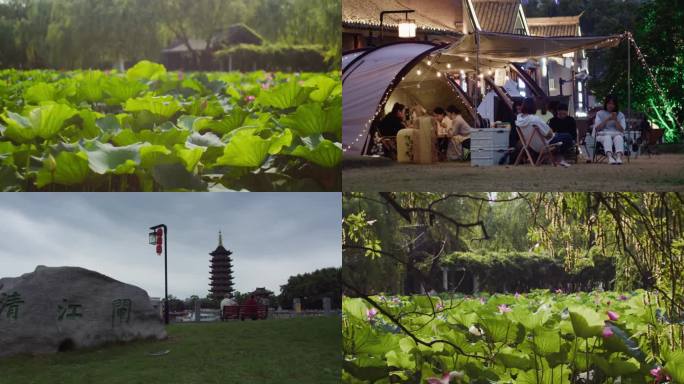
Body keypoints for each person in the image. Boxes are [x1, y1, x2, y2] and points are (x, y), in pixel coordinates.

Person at [516, 98, 573, 167]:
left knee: (560, 136)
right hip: (544, 145)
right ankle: (556, 158)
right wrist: (552, 133)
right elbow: (549, 135)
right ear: (533, 107)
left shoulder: (518, 120)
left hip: (532, 146)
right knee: (568, 137)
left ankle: (557, 159)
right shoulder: (534, 119)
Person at [594, 95, 626, 164]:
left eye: (612, 104)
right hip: (602, 134)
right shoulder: (599, 113)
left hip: (616, 134)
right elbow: (597, 128)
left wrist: (615, 120)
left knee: (619, 138)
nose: (610, 105)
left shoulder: (620, 115)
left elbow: (622, 130)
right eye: (609, 103)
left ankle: (618, 157)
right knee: (607, 137)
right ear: (606, 104)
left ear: (615, 105)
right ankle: (610, 157)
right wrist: (608, 119)